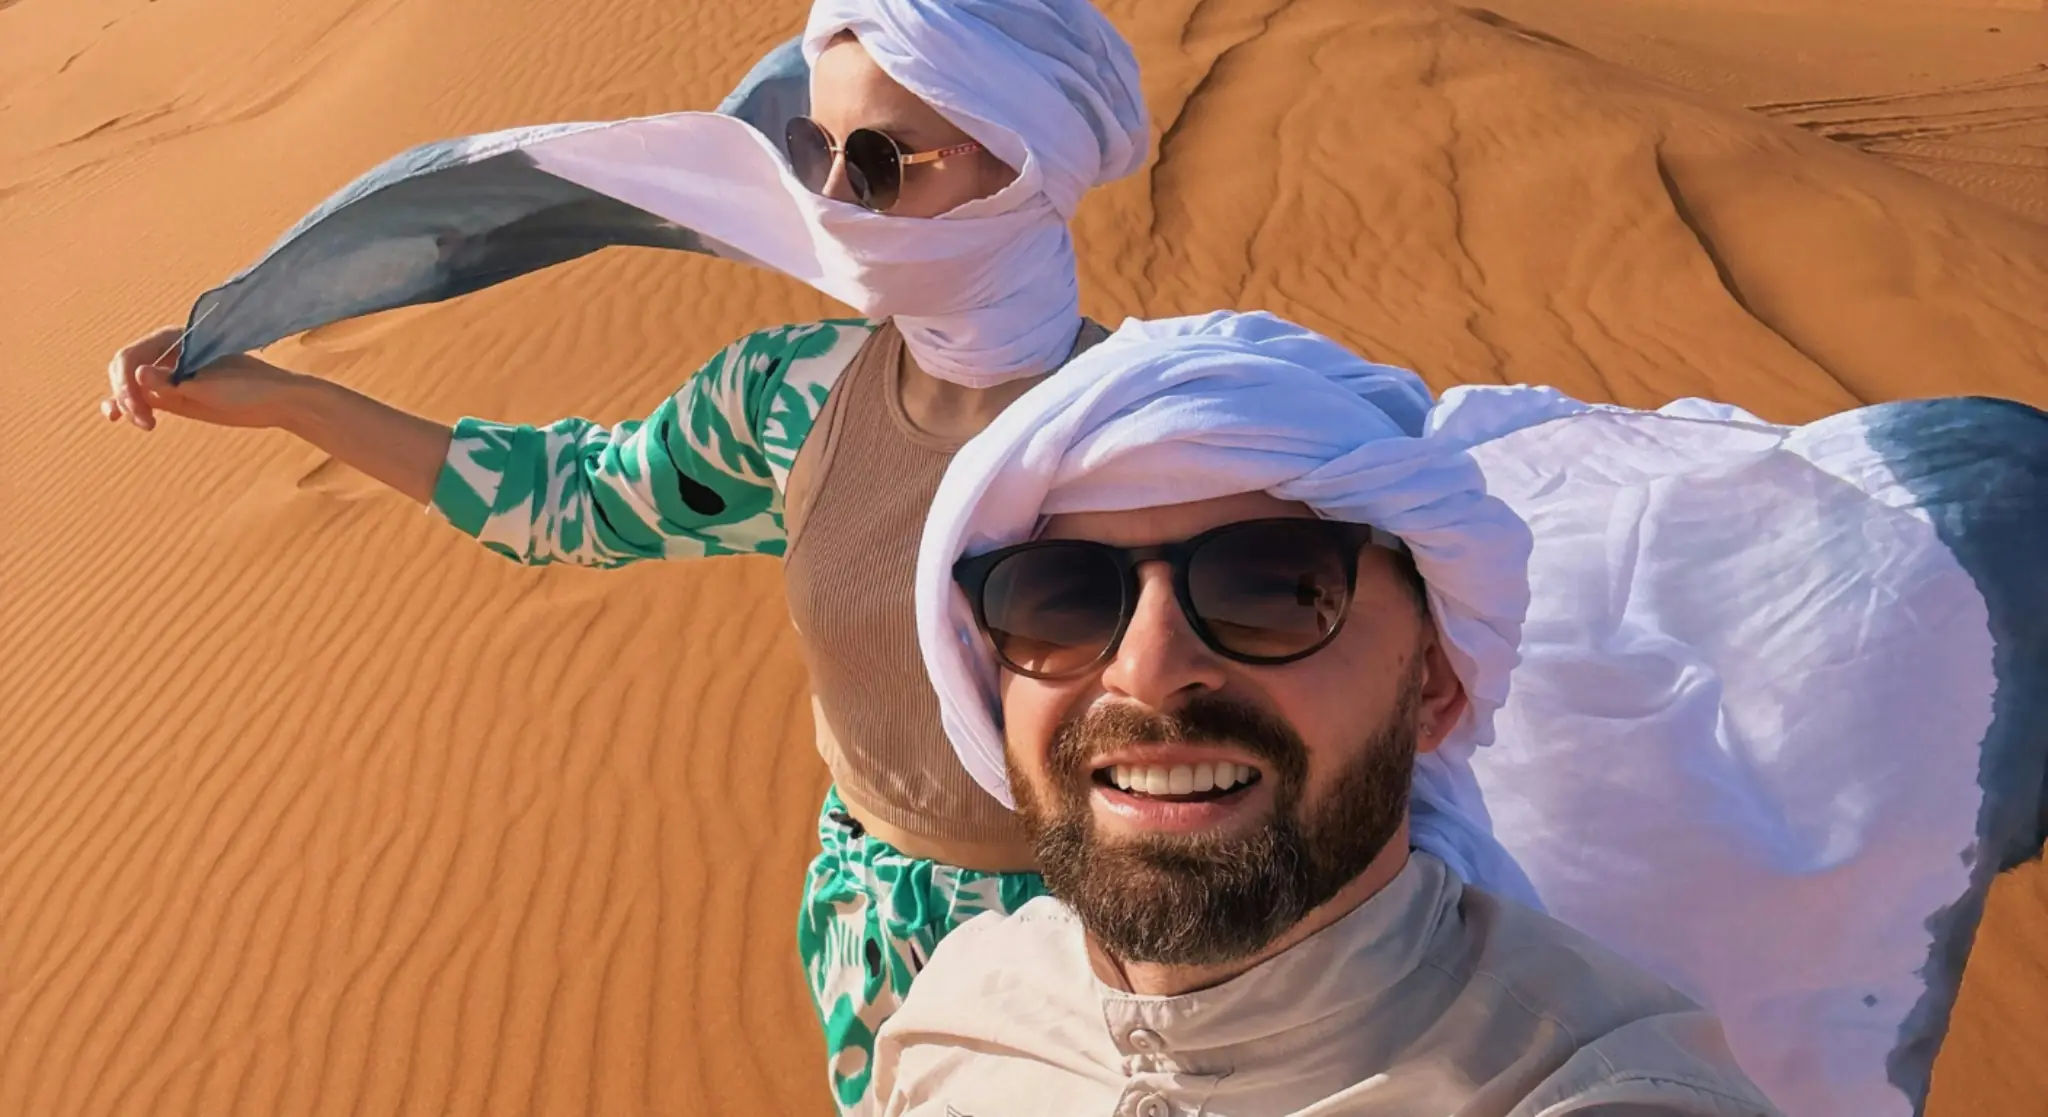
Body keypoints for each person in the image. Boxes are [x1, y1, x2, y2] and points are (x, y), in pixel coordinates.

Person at [99, 1, 1148, 1111]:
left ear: (1020, 165)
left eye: (881, 162)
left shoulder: (1167, 438)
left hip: (1097, 963)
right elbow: (575, 501)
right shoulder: (794, 400)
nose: (834, 202)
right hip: (869, 936)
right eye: (816, 151)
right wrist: (291, 400)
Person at [881, 311, 1780, 1115]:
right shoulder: (956, 1021)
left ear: (1433, 678)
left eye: (1273, 589)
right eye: (1059, 598)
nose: (1148, 671)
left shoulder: (1585, 1090)